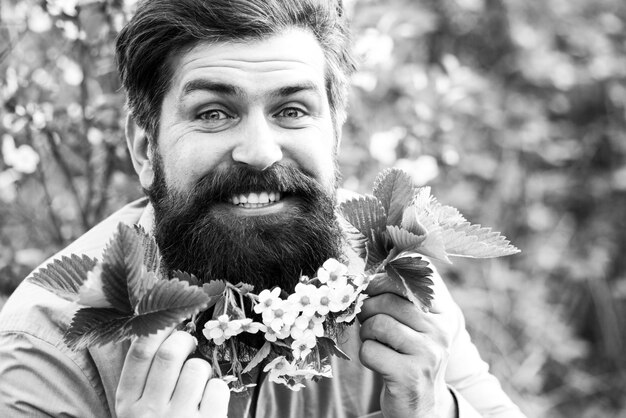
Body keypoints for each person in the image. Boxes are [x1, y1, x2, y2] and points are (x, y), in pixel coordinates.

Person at [0, 0, 527, 417]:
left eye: (292, 110)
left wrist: (434, 412)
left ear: (336, 134)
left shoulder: (391, 283)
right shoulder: (50, 343)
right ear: (145, 150)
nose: (260, 151)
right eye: (213, 113)